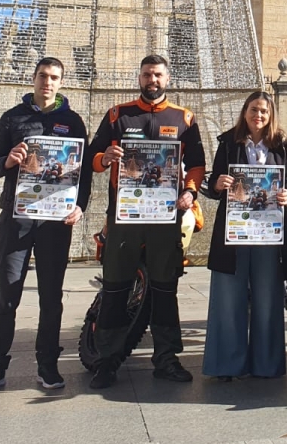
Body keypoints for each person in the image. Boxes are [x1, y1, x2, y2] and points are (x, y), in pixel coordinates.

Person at [85, 55, 206, 390]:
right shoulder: (118, 115)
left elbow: (197, 165)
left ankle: (166, 359)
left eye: (157, 75)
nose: (152, 80)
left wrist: (190, 193)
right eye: (146, 74)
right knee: (115, 289)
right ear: (139, 78)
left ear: (167, 79)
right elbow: (92, 157)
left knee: (166, 290)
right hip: (124, 218)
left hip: (166, 220)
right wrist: (103, 159)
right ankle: (106, 362)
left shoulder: (184, 119)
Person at [0, 57, 90, 394]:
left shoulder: (73, 121)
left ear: (61, 83)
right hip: (17, 219)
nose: (48, 82)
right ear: (34, 78)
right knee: (6, 295)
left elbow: (83, 175)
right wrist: (7, 161)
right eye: (43, 76)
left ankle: (48, 367)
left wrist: (80, 206)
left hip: (56, 222)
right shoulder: (13, 118)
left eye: (54, 77)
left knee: (51, 297)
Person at [202, 91, 287, 380]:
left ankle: (266, 365)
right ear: (245, 112)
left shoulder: (282, 145)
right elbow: (214, 184)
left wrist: (286, 193)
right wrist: (218, 183)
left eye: (264, 112)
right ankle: (226, 365)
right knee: (228, 298)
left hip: (268, 234)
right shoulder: (228, 143)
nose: (259, 115)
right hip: (235, 232)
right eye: (254, 109)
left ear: (271, 116)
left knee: (268, 299)